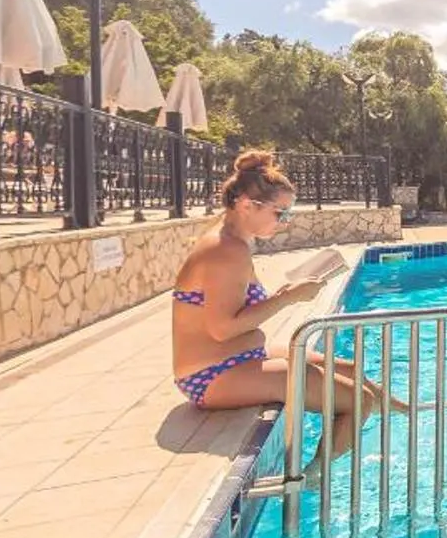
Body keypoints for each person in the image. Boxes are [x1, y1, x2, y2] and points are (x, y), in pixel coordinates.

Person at [171, 150, 406, 461]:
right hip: (211, 375)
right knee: (358, 400)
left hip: (239, 357)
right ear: (245, 206)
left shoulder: (234, 240)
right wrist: (287, 299)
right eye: (280, 213)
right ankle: (314, 477)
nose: (284, 222)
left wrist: (285, 293)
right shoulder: (225, 250)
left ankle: (405, 409)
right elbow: (222, 329)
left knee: (349, 368)